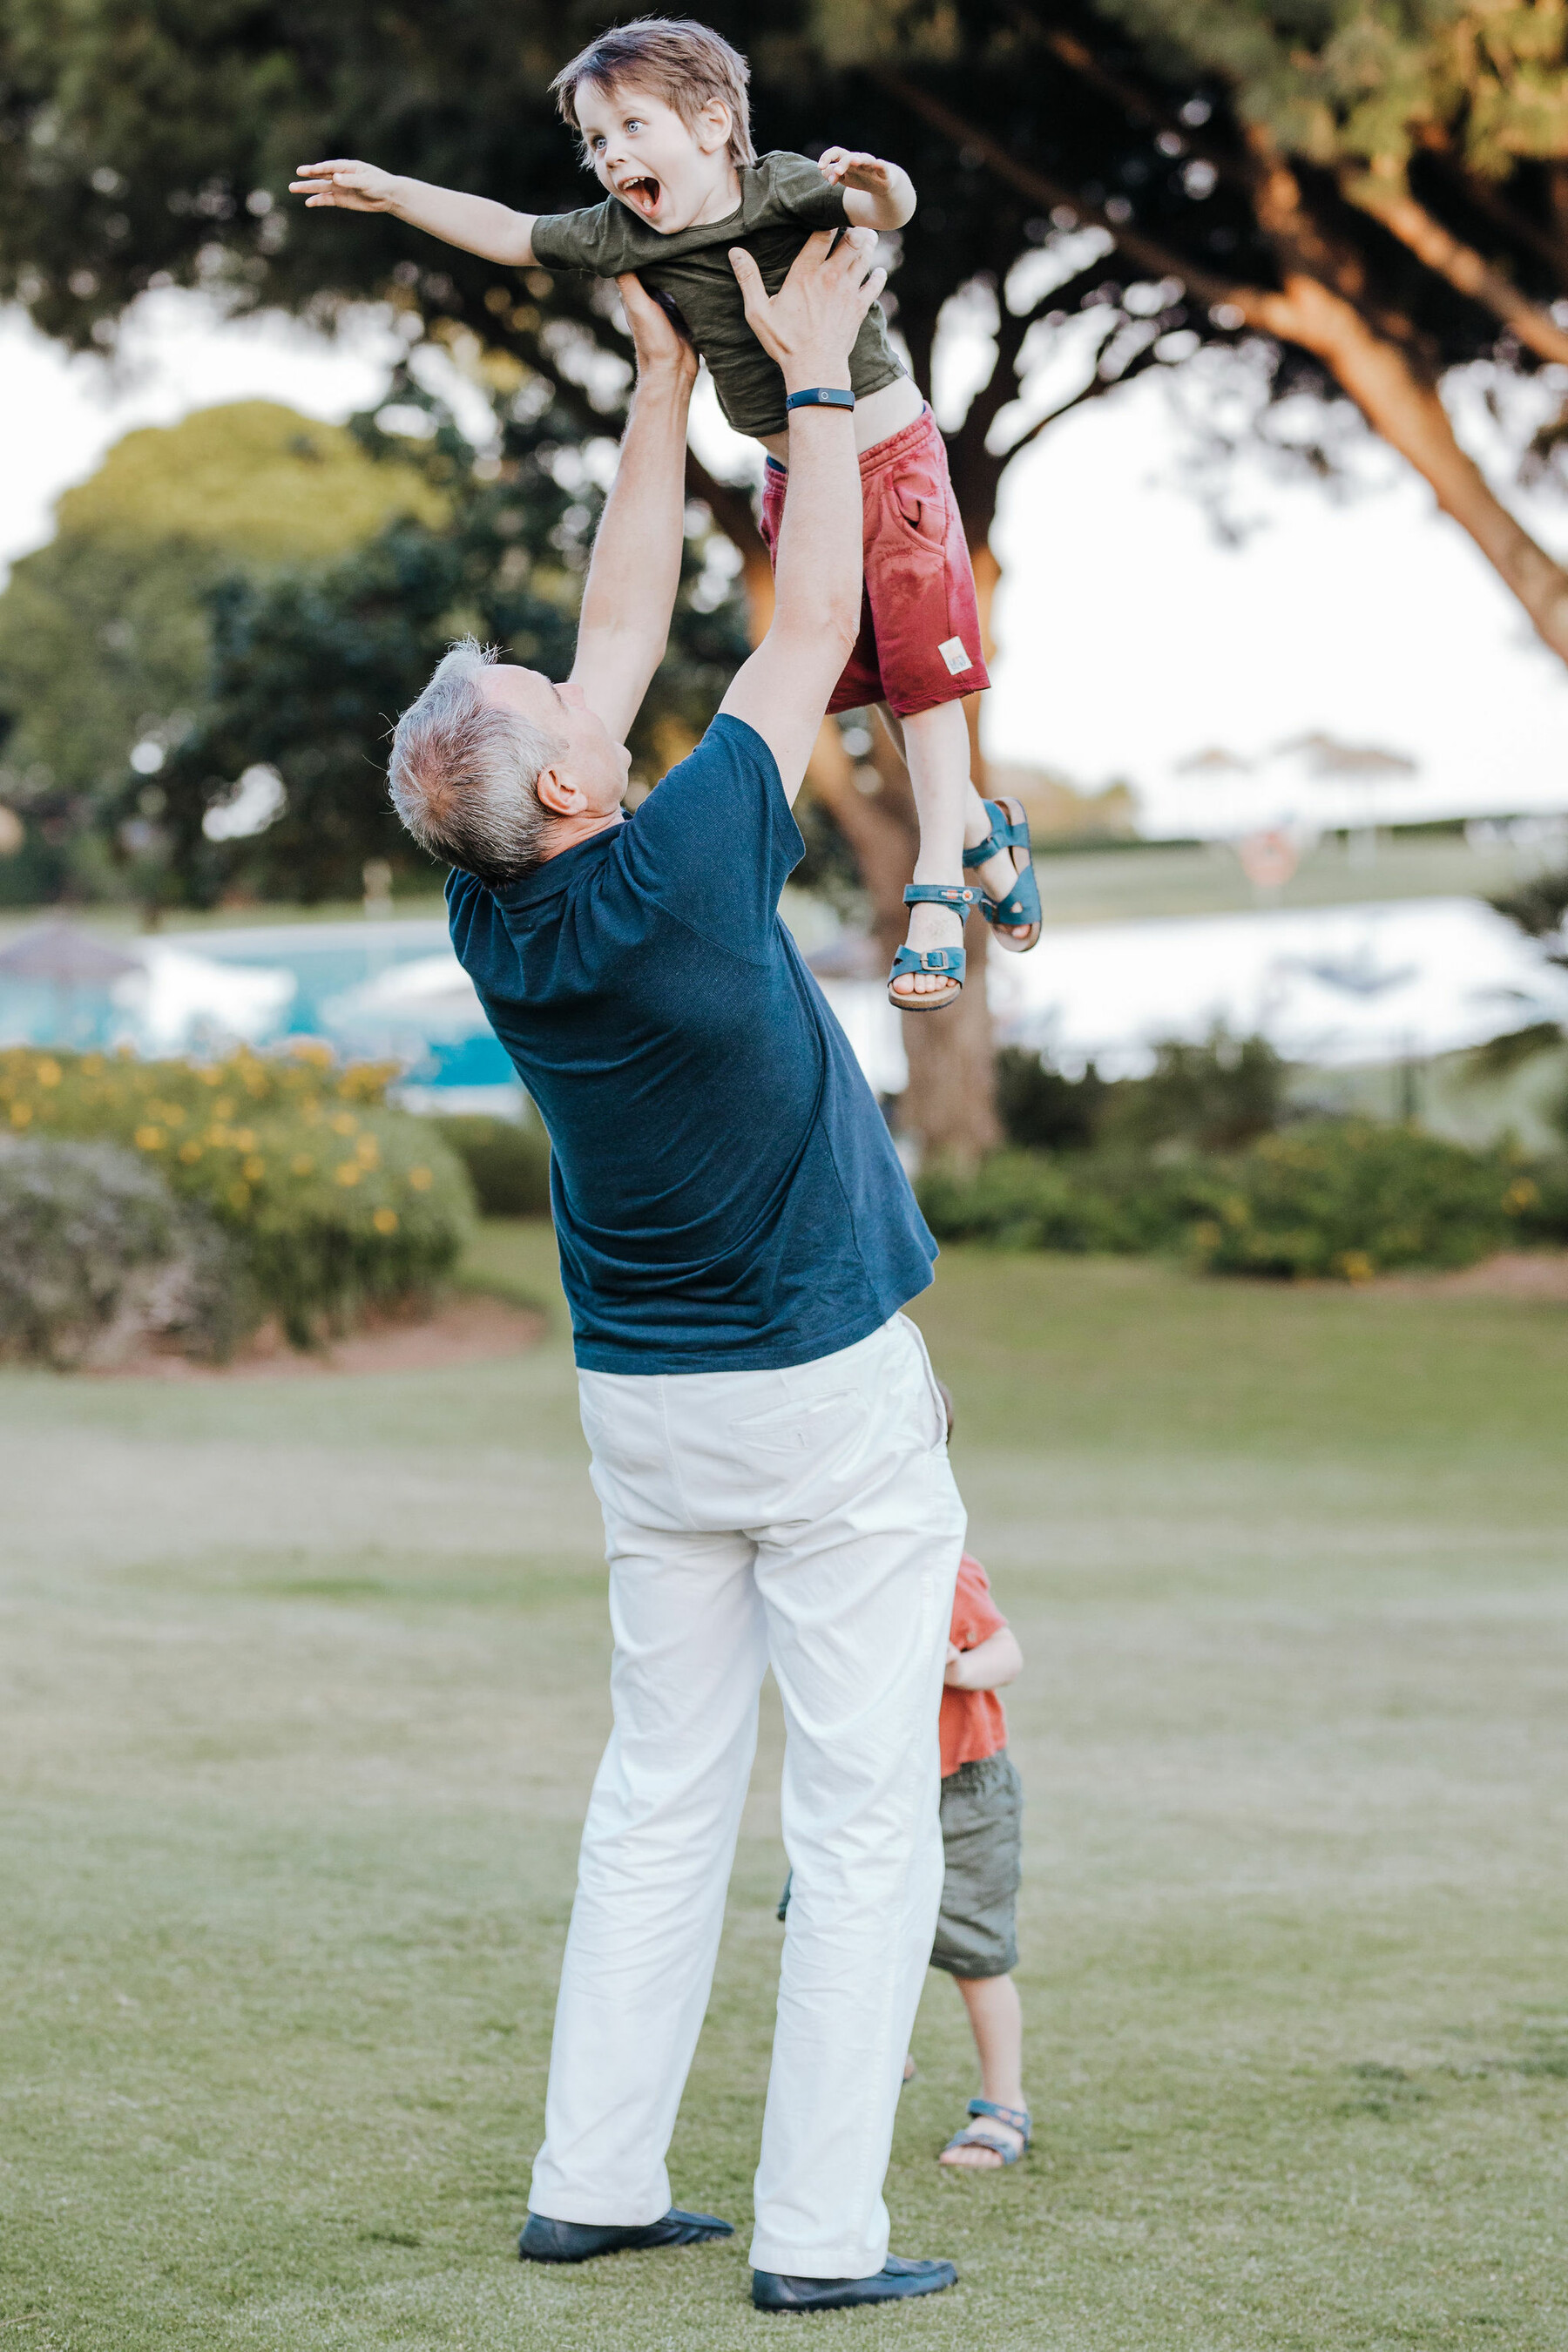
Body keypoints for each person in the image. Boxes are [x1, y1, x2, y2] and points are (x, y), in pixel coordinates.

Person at [382, 228, 967, 2312]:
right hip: (814, 1391)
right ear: (566, 777)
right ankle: (821, 2239)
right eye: (557, 701)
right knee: (870, 1809)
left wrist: (654, 387)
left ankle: (596, 2177)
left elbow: (622, 618)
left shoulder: (507, 908)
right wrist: (805, 375)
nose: (581, 674)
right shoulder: (697, 843)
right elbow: (812, 614)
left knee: (660, 1787)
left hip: (644, 1406)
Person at [291, 14, 1042, 1012]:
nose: (610, 159)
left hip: (888, 460)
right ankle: (987, 832)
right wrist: (396, 196)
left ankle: (939, 890)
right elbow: (511, 232)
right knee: (872, 686)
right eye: (595, 142)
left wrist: (873, 181)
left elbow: (893, 210)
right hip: (793, 481)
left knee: (925, 690)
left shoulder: (779, 185)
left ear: (712, 124)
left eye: (632, 128)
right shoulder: (621, 233)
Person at [778, 1382, 1031, 2172]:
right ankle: (880, 2055)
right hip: (866, 1777)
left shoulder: (937, 1563)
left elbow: (1007, 1655)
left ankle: (1004, 2106)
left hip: (960, 1788)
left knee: (973, 1953)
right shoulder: (836, 1557)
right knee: (832, 1922)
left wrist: (953, 1670)